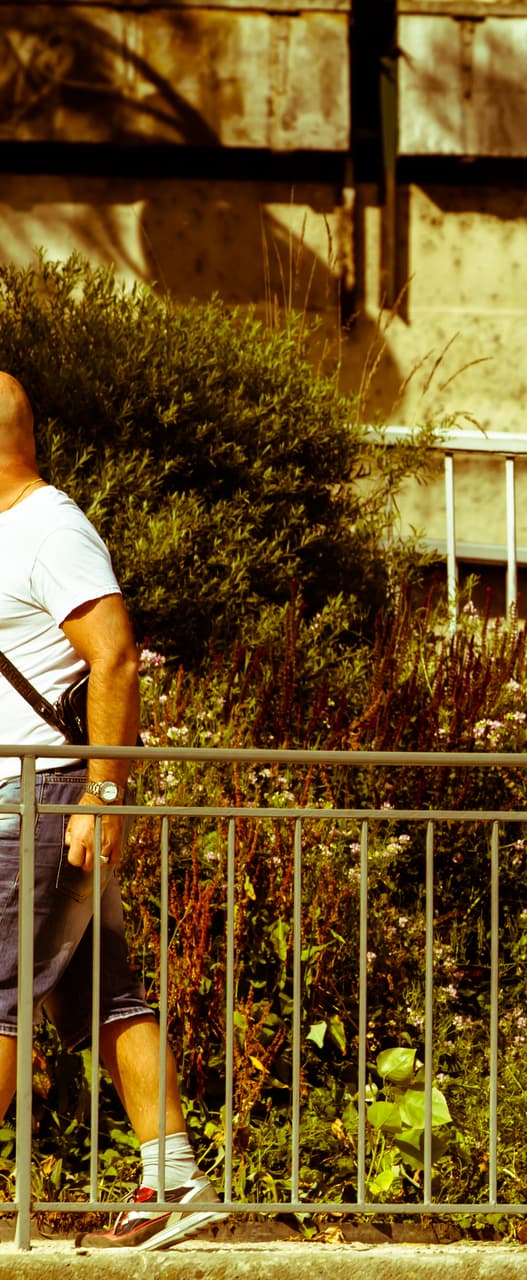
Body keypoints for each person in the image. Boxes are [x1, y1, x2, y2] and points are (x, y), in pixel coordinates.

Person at [0, 372, 226, 1250]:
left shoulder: (50, 527)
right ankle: (176, 1182)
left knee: (2, 993)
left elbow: (116, 657)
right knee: (101, 994)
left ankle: (175, 1183)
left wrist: (105, 792)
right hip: (39, 793)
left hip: (47, 793)